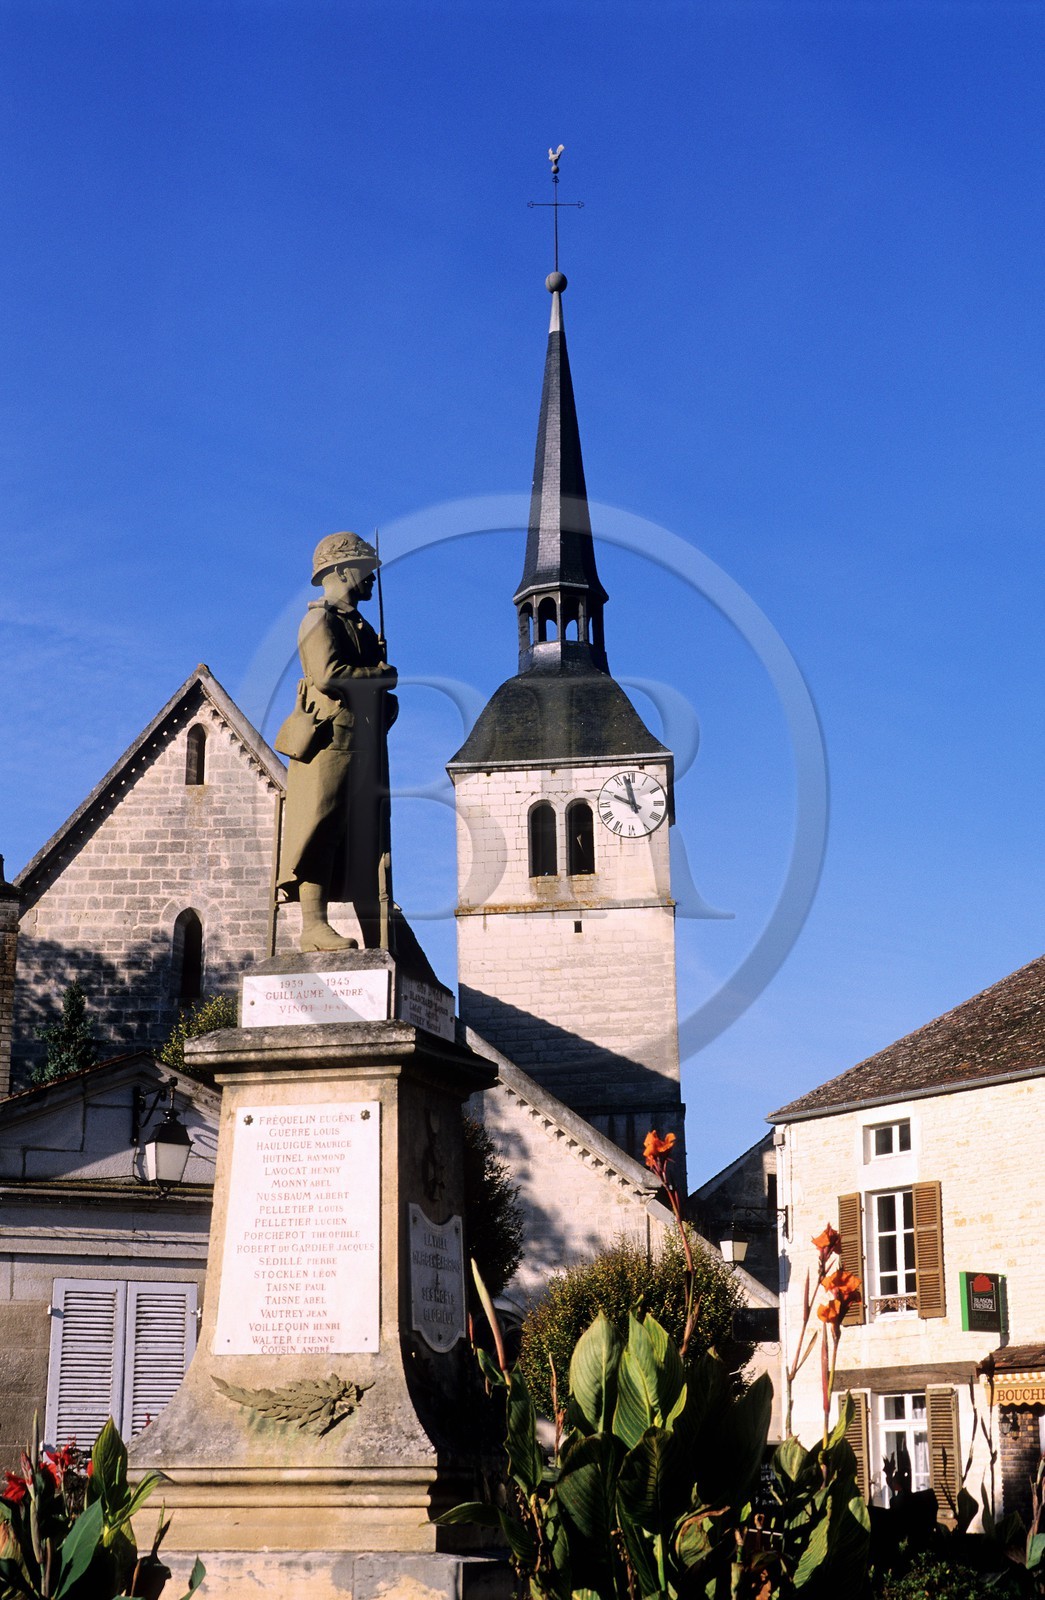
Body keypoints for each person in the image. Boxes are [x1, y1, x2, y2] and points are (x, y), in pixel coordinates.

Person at [275, 532, 398, 952]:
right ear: (343, 570)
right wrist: (380, 676)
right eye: (367, 570)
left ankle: (377, 935)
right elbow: (328, 676)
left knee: (364, 836)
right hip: (330, 742)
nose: (372, 580)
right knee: (322, 829)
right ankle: (313, 927)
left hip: (360, 741)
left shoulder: (358, 625)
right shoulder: (319, 620)